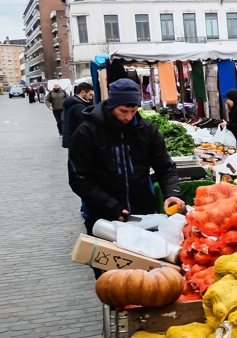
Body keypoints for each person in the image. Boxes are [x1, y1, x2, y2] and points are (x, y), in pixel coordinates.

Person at [67, 79, 185, 234]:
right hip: (103, 216)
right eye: (123, 111)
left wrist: (172, 193)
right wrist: (109, 205)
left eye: (134, 110)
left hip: (144, 214)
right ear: (111, 105)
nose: (128, 117)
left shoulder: (147, 130)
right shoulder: (86, 132)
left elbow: (165, 168)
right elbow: (79, 178)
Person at [61, 82, 95, 148]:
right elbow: (84, 124)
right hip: (78, 139)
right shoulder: (79, 106)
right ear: (83, 92)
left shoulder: (73, 102)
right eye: (90, 95)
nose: (91, 98)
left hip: (72, 137)